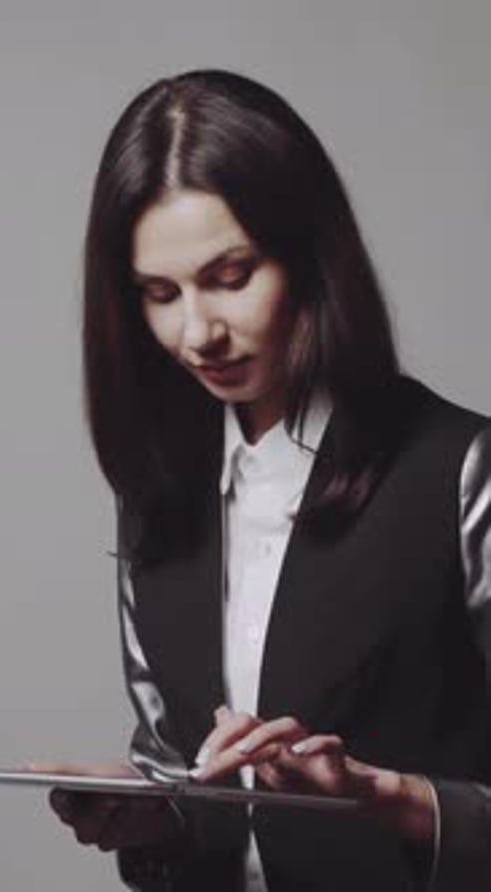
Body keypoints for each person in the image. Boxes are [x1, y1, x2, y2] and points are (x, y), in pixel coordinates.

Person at [47, 69, 491, 891]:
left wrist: (389, 799)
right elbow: (179, 770)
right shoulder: (156, 493)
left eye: (230, 276)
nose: (196, 332)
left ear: (312, 257)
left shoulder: (461, 472)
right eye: (158, 293)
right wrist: (155, 812)